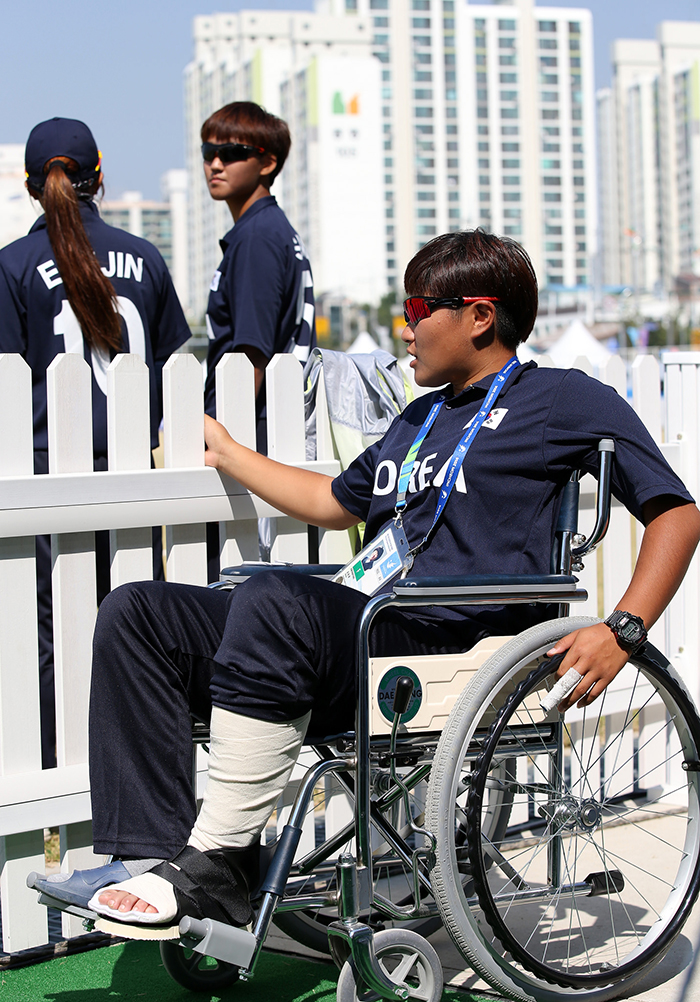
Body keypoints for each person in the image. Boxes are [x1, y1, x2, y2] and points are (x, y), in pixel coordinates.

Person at [30, 230, 700, 933]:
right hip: (371, 626)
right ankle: (152, 856)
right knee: (140, 612)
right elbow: (331, 502)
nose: (403, 327)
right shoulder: (421, 417)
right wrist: (229, 452)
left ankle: (219, 859)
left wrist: (623, 628)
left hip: (451, 642)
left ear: (479, 316)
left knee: (274, 600)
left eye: (418, 307)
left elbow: (675, 513)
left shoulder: (562, 399)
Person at [0, 118, 191, 768]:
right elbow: (174, 375)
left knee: (55, 640)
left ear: (32, 186)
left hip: (51, 481)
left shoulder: (13, 266)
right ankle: (146, 772)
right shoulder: (146, 256)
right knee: (144, 633)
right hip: (140, 480)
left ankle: (65, 778)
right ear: (99, 178)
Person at [200, 101, 315, 573]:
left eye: (232, 151)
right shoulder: (268, 229)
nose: (215, 162)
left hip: (252, 436)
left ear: (267, 162)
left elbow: (249, 357)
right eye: (209, 150)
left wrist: (227, 445)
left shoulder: (257, 238)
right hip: (268, 431)